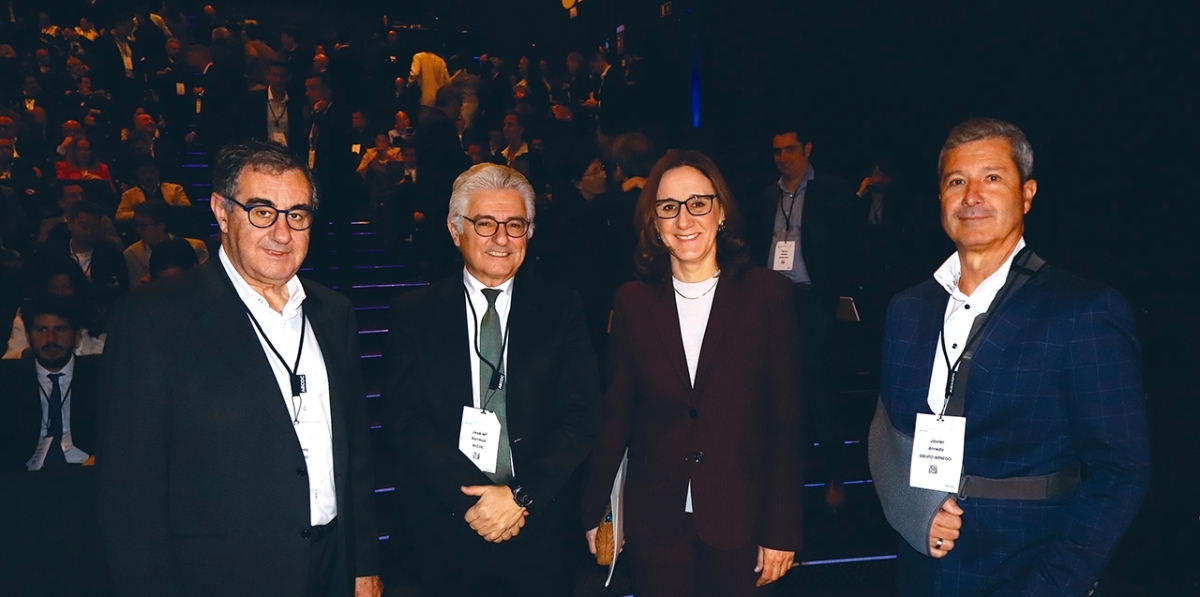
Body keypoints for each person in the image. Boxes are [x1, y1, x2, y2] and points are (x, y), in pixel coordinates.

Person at [870, 118, 1150, 596]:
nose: (972, 196)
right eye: (956, 182)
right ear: (940, 198)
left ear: (1027, 195)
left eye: (992, 178)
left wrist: (1054, 584)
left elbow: (1122, 472)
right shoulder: (907, 310)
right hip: (919, 570)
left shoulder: (1083, 311)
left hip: (1027, 570)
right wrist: (911, 506)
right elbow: (888, 433)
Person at [97, 141, 383, 597]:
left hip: (332, 565)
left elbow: (356, 455)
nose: (282, 233)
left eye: (297, 214)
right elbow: (130, 491)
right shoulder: (155, 317)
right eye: (262, 212)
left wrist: (363, 564)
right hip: (221, 577)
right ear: (222, 211)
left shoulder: (334, 312)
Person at [581, 149, 803, 596]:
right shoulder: (632, 302)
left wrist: (782, 528)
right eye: (669, 207)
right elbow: (618, 412)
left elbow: (787, 419)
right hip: (654, 518)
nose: (684, 220)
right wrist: (596, 507)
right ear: (654, 224)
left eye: (698, 203)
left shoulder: (768, 295)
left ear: (721, 212)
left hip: (742, 514)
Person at [381, 162, 600, 596]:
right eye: (485, 223)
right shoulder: (414, 314)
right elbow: (404, 422)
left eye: (514, 224)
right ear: (455, 230)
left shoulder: (562, 310)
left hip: (538, 531)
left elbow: (581, 417)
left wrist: (518, 497)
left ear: (529, 232)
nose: (501, 239)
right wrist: (478, 502)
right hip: (444, 533)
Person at [743, 122, 860, 509]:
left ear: (806, 149)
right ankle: (779, 474)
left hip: (813, 299)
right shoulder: (767, 196)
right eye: (777, 151)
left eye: (790, 149)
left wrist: (839, 295)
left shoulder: (831, 191)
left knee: (819, 385)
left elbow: (848, 246)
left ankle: (833, 474)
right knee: (773, 385)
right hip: (773, 301)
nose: (783, 158)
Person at [0, 298, 99, 472]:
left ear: (77, 337)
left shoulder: (100, 375)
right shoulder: (8, 378)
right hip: (24, 475)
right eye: (41, 330)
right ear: (28, 336)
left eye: (60, 329)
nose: (51, 339)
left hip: (86, 470)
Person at [123, 201, 208, 287]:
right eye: (136, 224)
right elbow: (135, 289)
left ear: (161, 226)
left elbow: (207, 281)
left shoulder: (196, 247)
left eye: (142, 225)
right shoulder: (132, 254)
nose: (137, 230)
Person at [114, 159, 190, 221]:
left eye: (152, 172)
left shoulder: (175, 189)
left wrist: (169, 212)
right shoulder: (129, 194)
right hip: (144, 229)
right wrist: (140, 214)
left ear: (158, 171)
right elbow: (120, 215)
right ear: (137, 174)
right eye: (143, 173)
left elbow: (187, 209)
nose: (148, 176)